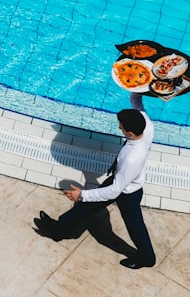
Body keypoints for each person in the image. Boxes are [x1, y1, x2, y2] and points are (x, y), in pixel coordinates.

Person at [34, 93, 156, 269]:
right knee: (86, 208)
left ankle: (147, 258)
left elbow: (115, 190)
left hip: (127, 192)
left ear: (129, 133)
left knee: (134, 225)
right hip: (121, 180)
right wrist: (137, 91)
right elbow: (137, 104)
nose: (119, 128)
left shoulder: (131, 158)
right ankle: (58, 230)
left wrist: (82, 194)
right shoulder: (147, 126)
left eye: (121, 128)